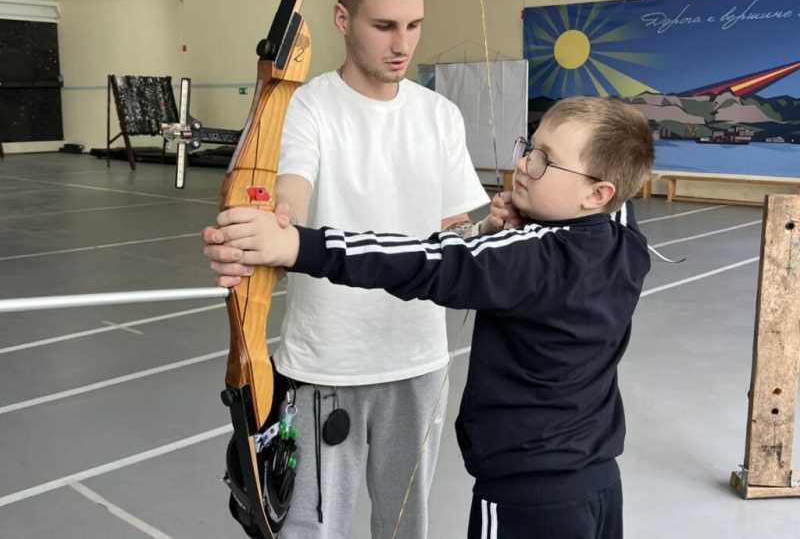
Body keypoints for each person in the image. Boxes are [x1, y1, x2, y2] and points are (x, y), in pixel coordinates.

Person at [204, 96, 655, 539]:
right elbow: (609, 209)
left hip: (526, 497)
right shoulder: (626, 244)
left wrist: (296, 246)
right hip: (596, 484)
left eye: (544, 161)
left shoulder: (532, 259)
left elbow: (424, 260)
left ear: (598, 193)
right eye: (530, 147)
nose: (524, 165)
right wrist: (530, 215)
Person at [209, 0, 488, 538]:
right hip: (326, 365)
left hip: (419, 362)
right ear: (342, 19)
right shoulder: (306, 108)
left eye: (414, 25)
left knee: (404, 528)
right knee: (311, 530)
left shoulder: (440, 116)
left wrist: (492, 233)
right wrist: (260, 235)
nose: (402, 44)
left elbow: (453, 231)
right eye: (383, 25)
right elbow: (290, 202)